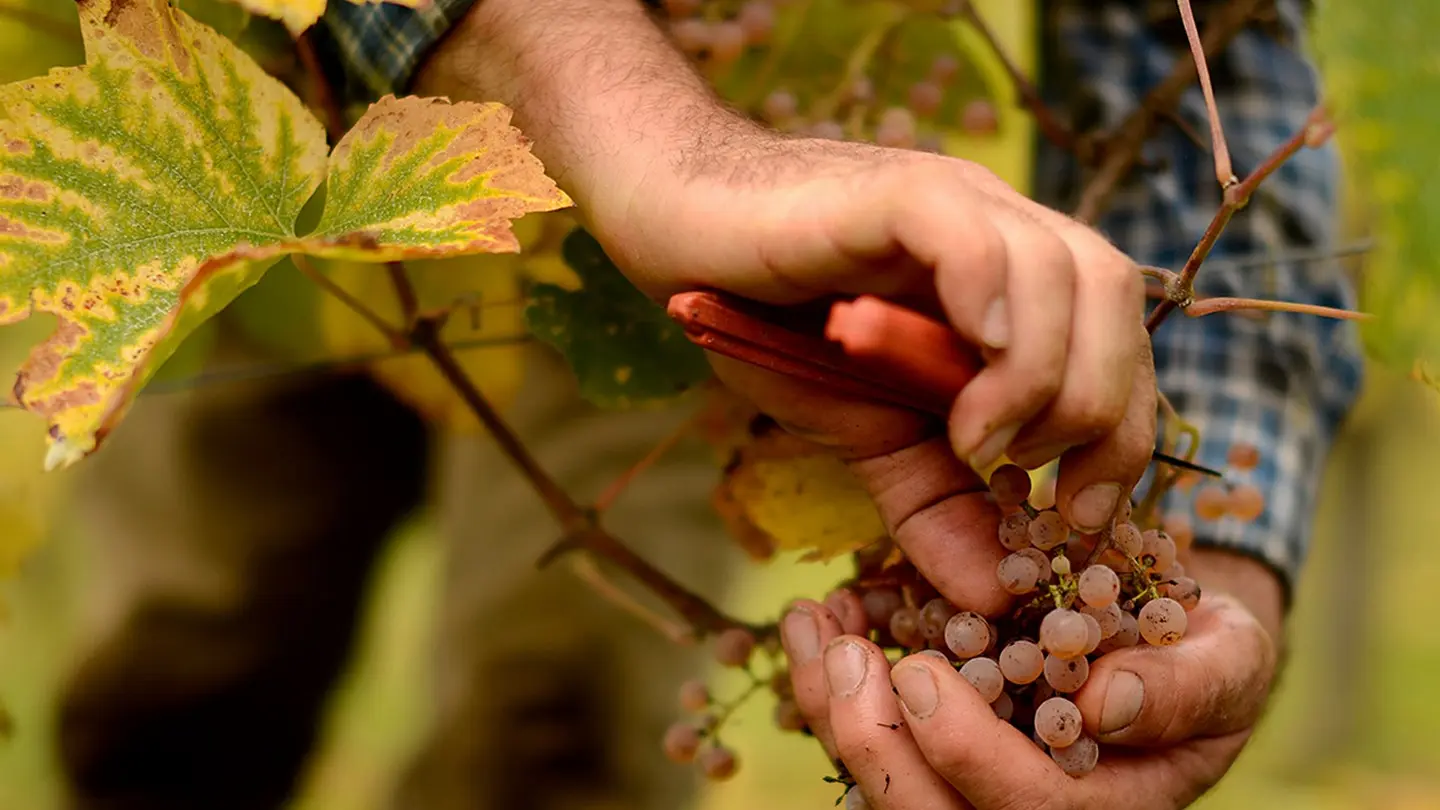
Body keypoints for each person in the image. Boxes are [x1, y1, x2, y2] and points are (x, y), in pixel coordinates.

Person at [53, 0, 1362, 808]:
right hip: (263, 144)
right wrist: (647, 129)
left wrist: (1204, 547)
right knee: (192, 674)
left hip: (671, 263)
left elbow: (1204, 55)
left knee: (558, 724)